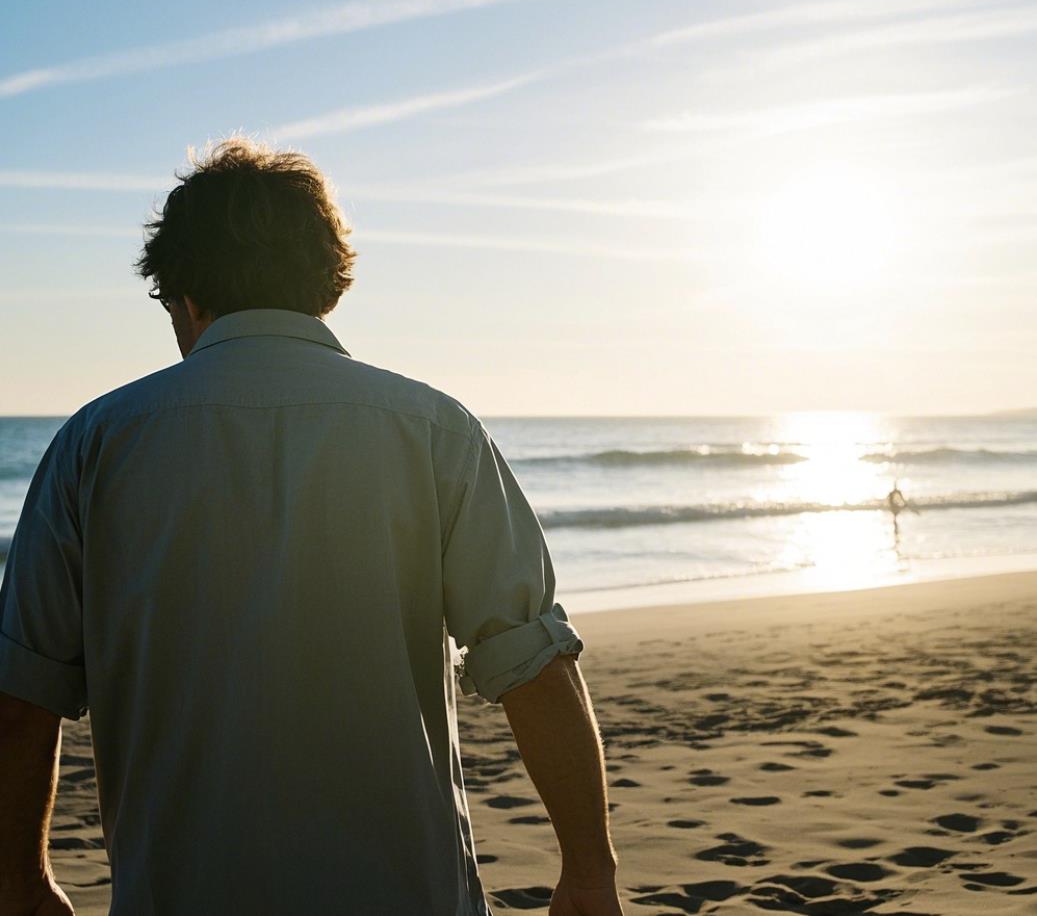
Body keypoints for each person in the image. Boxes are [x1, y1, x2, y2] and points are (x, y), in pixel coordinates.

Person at [0, 139, 624, 916]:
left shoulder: (95, 443)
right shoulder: (432, 429)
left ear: (184, 291)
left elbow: (22, 699)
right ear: (323, 285)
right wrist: (589, 874)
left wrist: (21, 881)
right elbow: (533, 665)